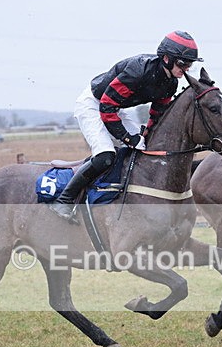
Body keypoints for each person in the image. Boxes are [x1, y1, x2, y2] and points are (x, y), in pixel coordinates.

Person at [49, 30, 203, 222]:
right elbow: (105, 107)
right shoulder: (137, 71)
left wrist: (144, 135)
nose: (187, 68)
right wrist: (129, 138)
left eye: (190, 64)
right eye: (183, 63)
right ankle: (65, 200)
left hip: (117, 106)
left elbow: (157, 114)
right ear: (166, 58)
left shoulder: (170, 83)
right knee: (105, 156)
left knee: (145, 148)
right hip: (94, 104)